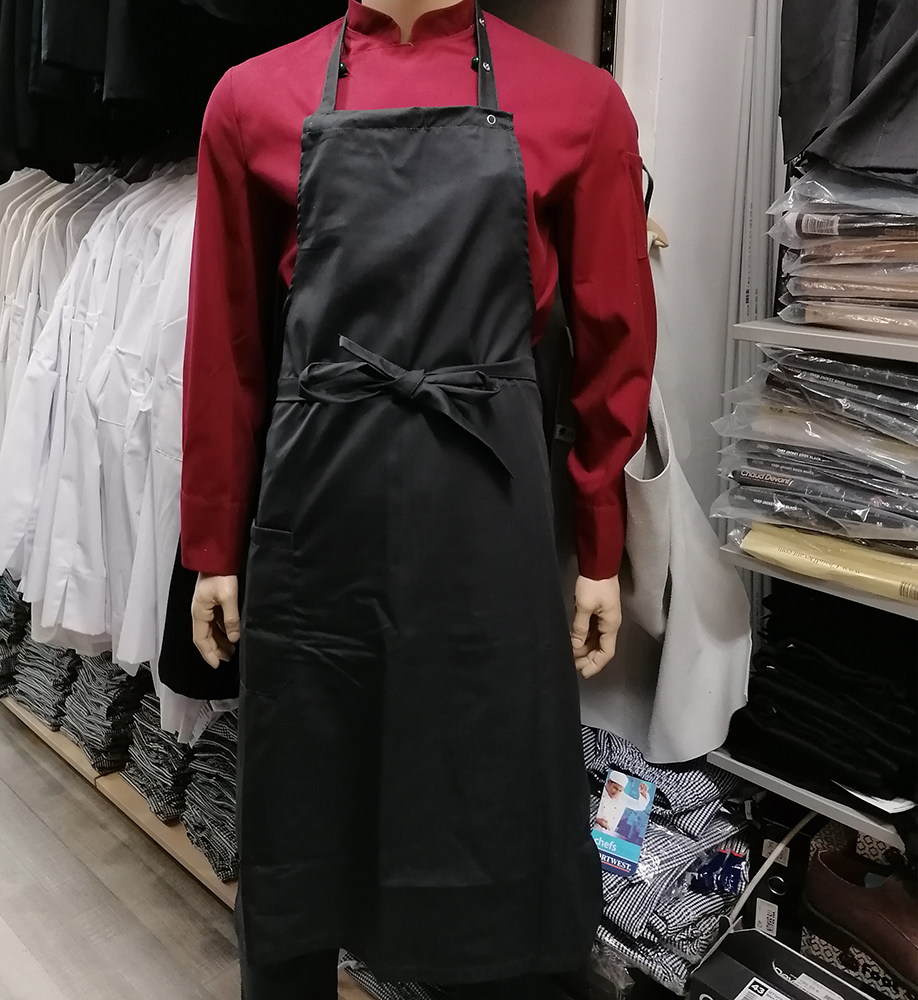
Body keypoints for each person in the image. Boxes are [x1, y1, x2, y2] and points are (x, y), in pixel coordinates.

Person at [181, 0, 657, 994]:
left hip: (487, 512)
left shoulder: (580, 104)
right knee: (306, 794)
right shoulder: (249, 100)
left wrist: (600, 542)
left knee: (490, 784)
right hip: (318, 513)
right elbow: (226, 343)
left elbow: (614, 343)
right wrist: (212, 540)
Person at [595, 771, 651, 838]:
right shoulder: (596, 789)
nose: (616, 793)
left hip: (607, 836)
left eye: (620, 790)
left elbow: (640, 806)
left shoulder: (623, 797)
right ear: (608, 782)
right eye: (615, 788)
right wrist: (597, 819)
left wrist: (643, 793)